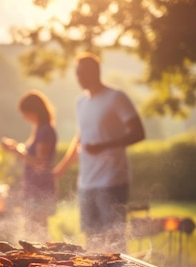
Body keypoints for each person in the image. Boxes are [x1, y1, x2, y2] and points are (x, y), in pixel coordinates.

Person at [53, 52, 145, 253]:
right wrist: (60, 170)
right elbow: (80, 138)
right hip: (86, 182)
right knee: (92, 240)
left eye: (83, 73)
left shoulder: (116, 97)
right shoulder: (81, 102)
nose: (79, 78)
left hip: (112, 180)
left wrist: (105, 145)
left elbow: (138, 132)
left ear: (96, 72)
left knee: (114, 239)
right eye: (77, 74)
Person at [1, 90, 58, 239]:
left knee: (38, 231)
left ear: (34, 111)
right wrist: (17, 147)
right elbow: (32, 156)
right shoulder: (39, 129)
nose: (23, 117)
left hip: (40, 190)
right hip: (34, 189)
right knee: (32, 231)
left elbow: (40, 163)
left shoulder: (45, 131)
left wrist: (15, 151)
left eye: (25, 112)